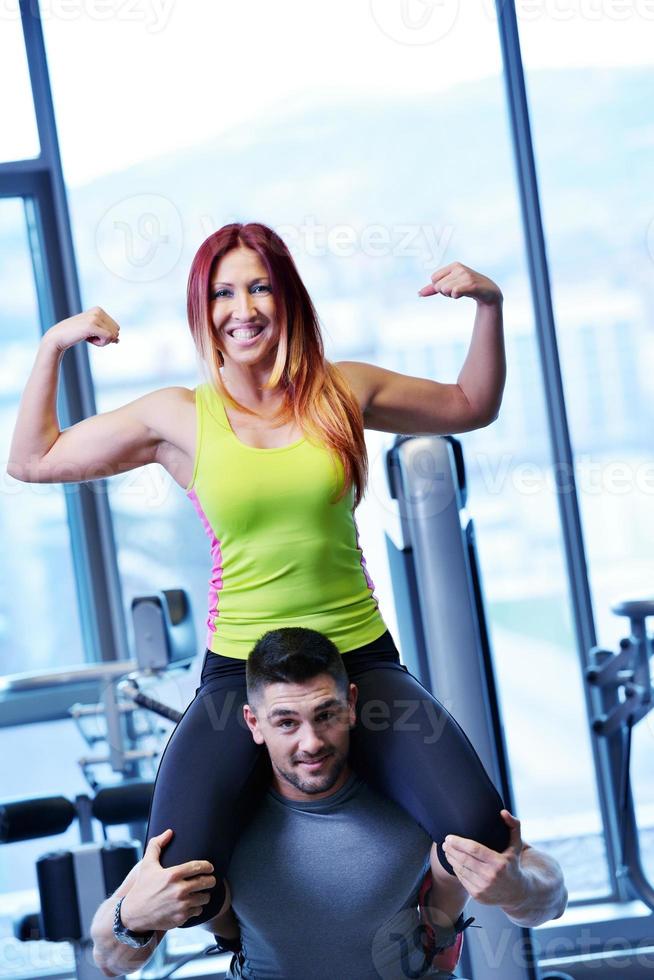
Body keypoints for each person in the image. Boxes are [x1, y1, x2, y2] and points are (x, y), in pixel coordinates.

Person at [8, 221, 511, 926]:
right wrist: (52, 346)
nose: (241, 307)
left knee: (481, 836)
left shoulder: (343, 392)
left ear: (287, 298)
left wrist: (489, 305)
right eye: (222, 292)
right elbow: (32, 458)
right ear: (203, 311)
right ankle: (258, 947)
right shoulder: (180, 417)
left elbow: (471, 405)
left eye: (258, 286)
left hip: (357, 658)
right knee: (183, 884)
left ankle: (428, 934)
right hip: (240, 670)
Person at [90, 627, 567, 980]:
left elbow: (551, 898)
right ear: (254, 723)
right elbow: (109, 960)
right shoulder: (223, 818)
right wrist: (130, 917)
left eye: (326, 715)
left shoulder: (414, 790)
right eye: (286, 723)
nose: (311, 742)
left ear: (353, 703)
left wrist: (516, 888)